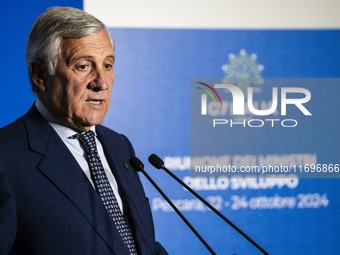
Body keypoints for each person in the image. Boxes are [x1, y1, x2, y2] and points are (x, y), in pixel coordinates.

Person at [0, 7, 167, 255]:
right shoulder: (6, 157)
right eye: (83, 66)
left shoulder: (119, 146)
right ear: (40, 74)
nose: (101, 82)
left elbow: (140, 245)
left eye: (107, 65)